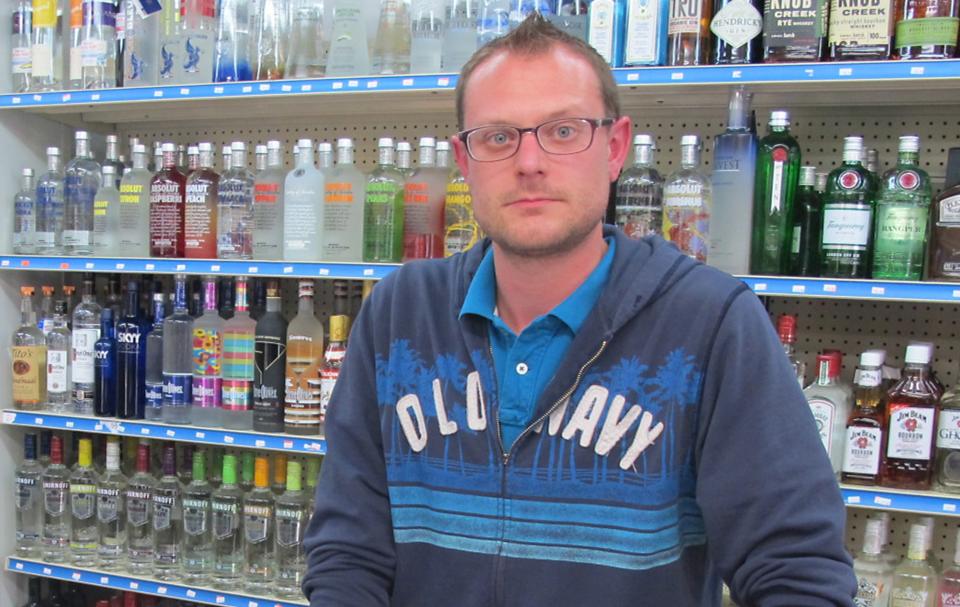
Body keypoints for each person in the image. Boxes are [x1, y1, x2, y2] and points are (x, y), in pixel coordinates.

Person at [302, 14, 857, 607]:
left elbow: (796, 572)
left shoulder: (712, 323)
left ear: (615, 148)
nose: (530, 162)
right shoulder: (399, 311)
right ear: (463, 162)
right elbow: (347, 550)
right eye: (497, 136)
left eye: (563, 131)